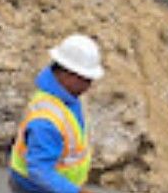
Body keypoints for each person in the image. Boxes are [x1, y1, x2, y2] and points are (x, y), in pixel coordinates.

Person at [9, 35, 103, 193]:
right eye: (85, 79)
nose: (89, 86)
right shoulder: (46, 121)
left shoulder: (66, 97)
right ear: (68, 74)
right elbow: (39, 171)